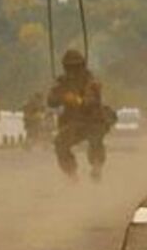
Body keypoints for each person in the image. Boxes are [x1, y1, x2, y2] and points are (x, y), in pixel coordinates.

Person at [46, 48, 114, 180]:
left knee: (96, 140)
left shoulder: (91, 81)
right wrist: (61, 96)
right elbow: (51, 101)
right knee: (60, 143)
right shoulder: (62, 82)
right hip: (73, 122)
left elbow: (92, 101)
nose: (73, 70)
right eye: (69, 67)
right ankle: (71, 173)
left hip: (92, 119)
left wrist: (76, 100)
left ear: (81, 65)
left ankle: (96, 166)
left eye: (76, 66)